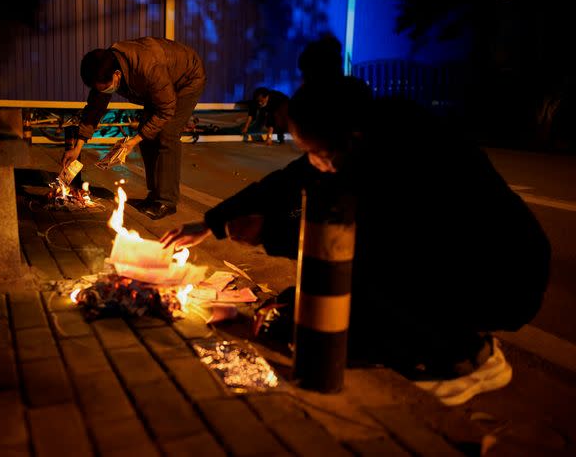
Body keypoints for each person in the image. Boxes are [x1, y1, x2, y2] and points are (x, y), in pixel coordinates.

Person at [161, 34, 550, 406]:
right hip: (465, 264)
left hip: (504, 276)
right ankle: (439, 341)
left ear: (350, 141)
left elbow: (356, 245)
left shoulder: (405, 158)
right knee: (320, 307)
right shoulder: (358, 133)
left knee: (362, 299)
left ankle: (467, 357)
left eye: (316, 153)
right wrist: (213, 223)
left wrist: (269, 235)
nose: (313, 162)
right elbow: (288, 180)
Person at [64, 37, 206, 220]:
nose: (105, 92)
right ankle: (154, 195)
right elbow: (94, 110)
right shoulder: (104, 68)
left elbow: (166, 110)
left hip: (187, 79)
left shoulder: (148, 68)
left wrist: (133, 141)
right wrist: (77, 148)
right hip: (162, 86)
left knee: (166, 135)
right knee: (148, 135)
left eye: (106, 88)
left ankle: (166, 201)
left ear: (116, 75)